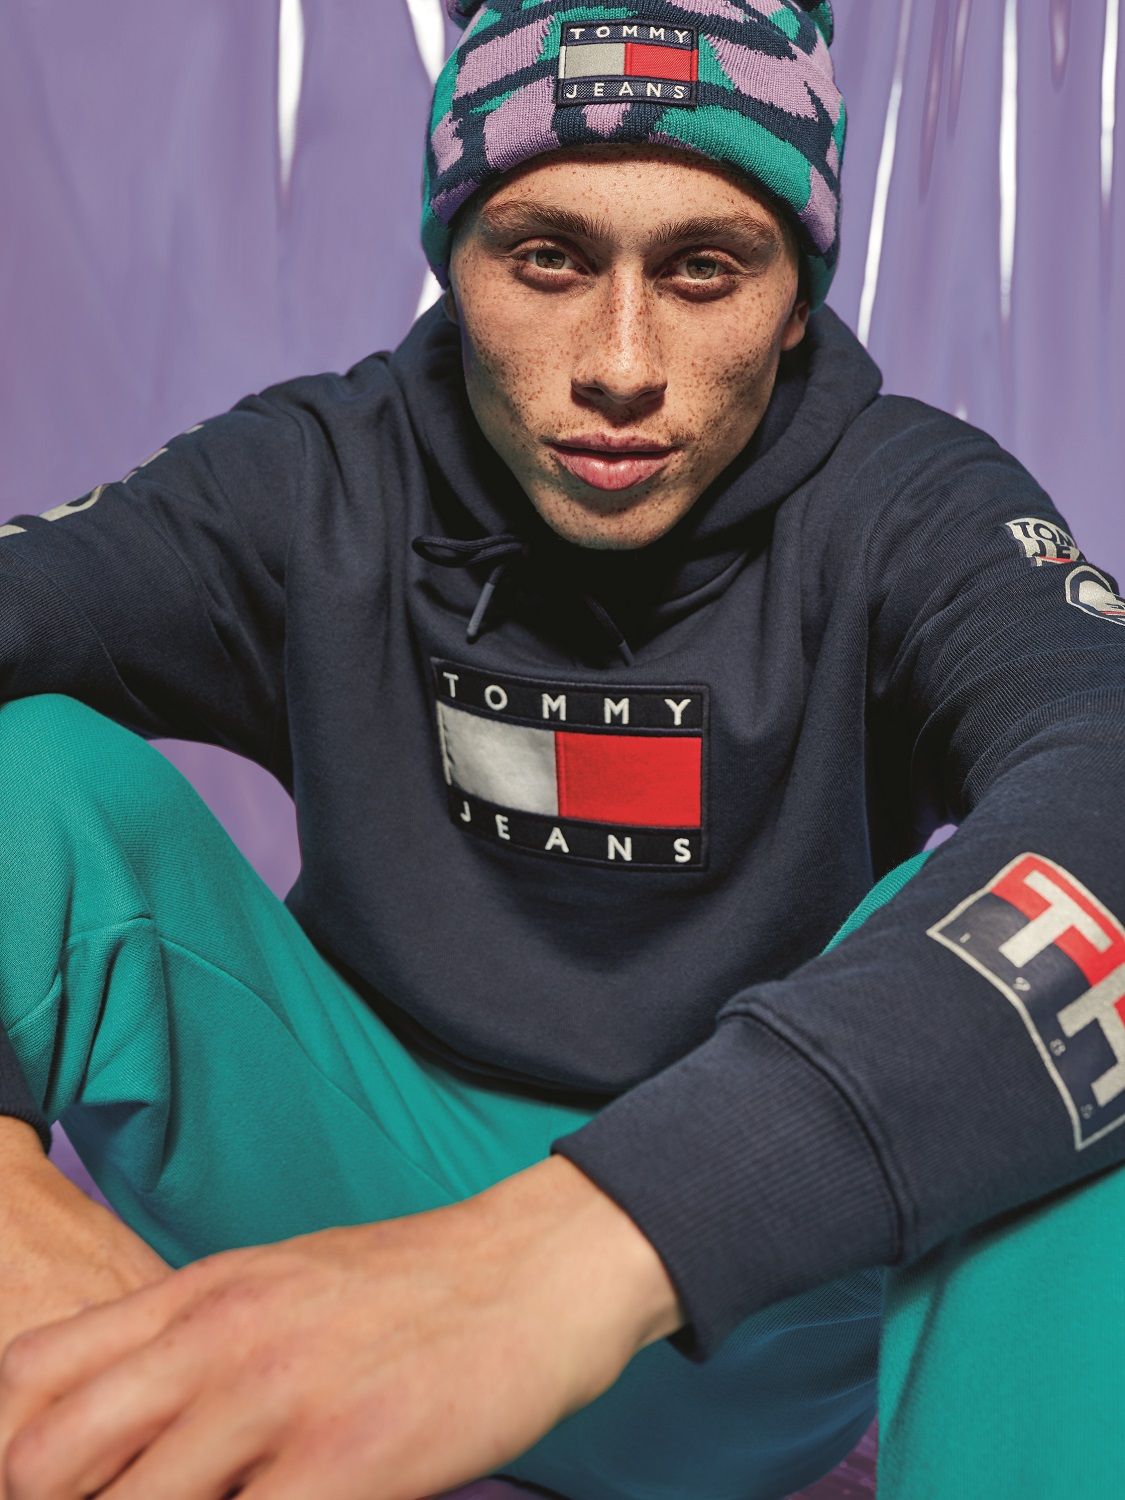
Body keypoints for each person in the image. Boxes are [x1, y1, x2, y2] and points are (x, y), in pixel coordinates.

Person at [0, 1, 1123, 1496]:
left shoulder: (911, 505)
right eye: (547, 257)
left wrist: (582, 1245)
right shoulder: (317, 476)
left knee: (1066, 1020)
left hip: (740, 1299)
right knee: (28, 774)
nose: (619, 363)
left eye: (704, 269)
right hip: (330, 1223)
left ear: (797, 301)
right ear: (454, 262)